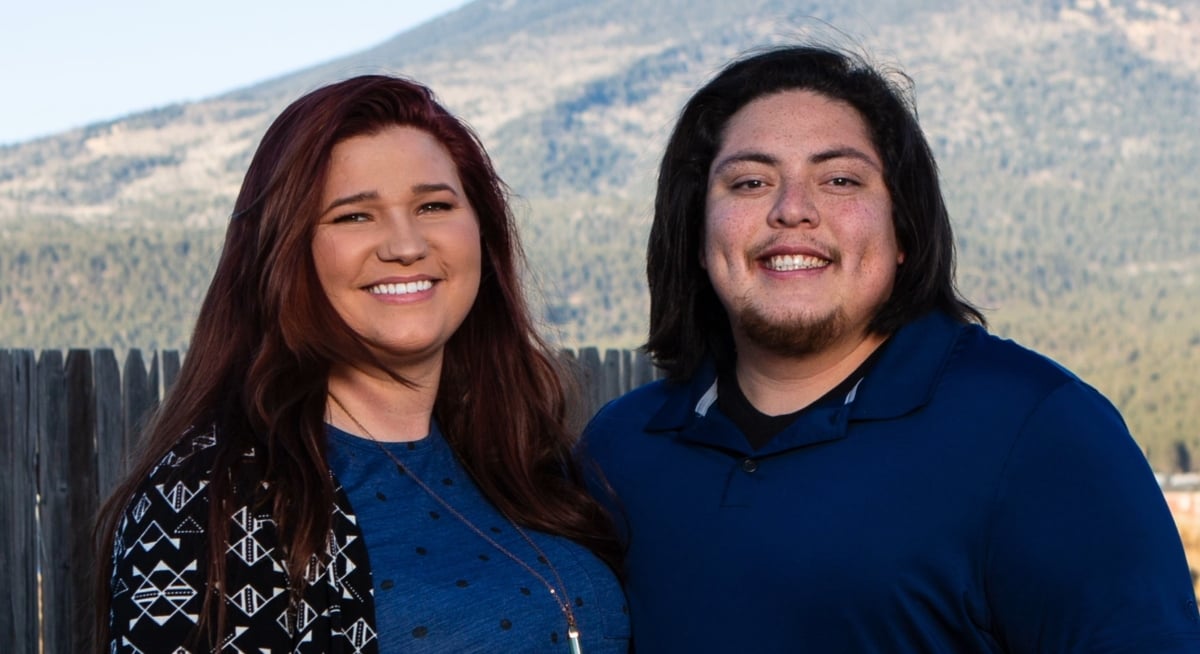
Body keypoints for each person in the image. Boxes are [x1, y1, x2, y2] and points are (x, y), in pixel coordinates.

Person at [582, 45, 1200, 652]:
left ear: (903, 229)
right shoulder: (620, 450)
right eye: (749, 181)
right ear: (695, 231)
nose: (792, 210)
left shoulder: (1039, 431)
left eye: (840, 179)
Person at [95, 75, 629, 653]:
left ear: (482, 231)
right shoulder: (212, 499)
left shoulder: (518, 456)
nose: (405, 245)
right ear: (285, 250)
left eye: (433, 205)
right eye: (355, 216)